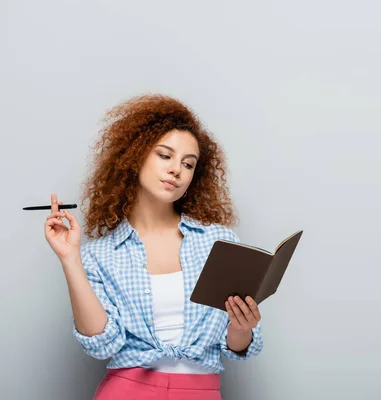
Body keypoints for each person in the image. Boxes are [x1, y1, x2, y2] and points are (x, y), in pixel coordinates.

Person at [44, 94, 263, 400]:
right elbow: (101, 344)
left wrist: (243, 328)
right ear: (135, 156)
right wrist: (70, 258)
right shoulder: (101, 255)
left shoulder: (219, 243)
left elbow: (239, 347)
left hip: (201, 391)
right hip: (126, 390)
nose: (177, 170)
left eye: (189, 164)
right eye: (165, 156)